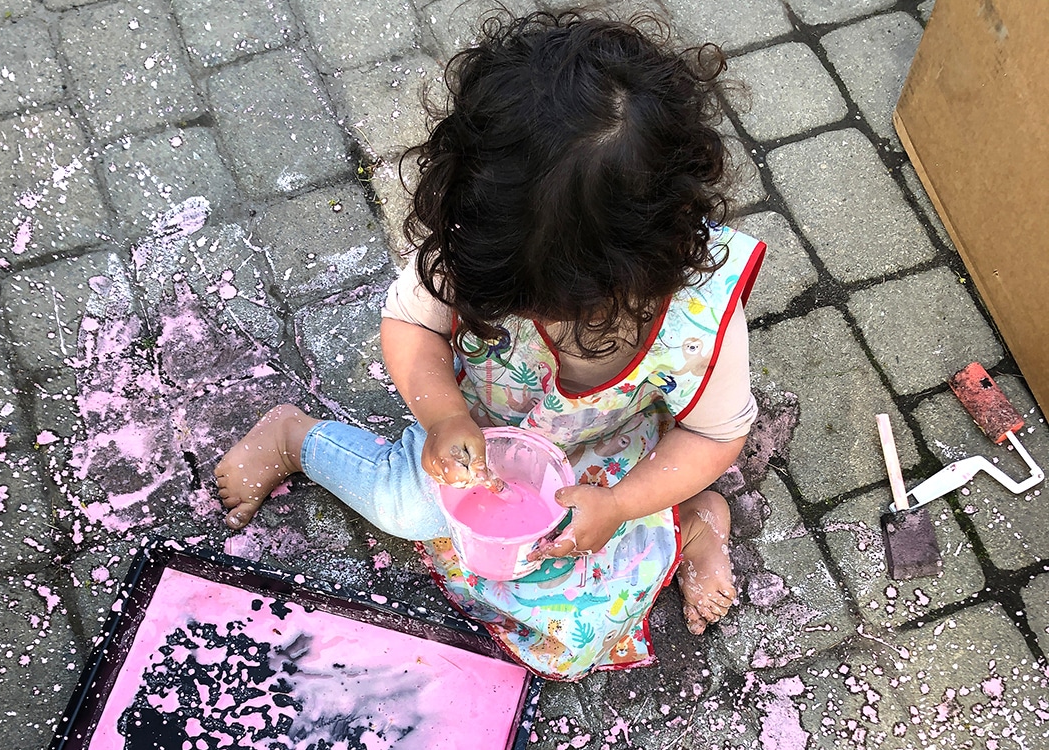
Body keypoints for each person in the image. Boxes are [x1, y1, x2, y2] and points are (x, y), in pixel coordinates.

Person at [215, 8, 765, 681]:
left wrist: (621, 505)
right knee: (403, 505)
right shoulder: (476, 244)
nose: (541, 319)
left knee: (597, 584)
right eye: (520, 299)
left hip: (606, 456)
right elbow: (412, 328)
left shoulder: (700, 320)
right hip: (480, 432)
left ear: (649, 260)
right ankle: (297, 439)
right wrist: (444, 416)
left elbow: (713, 437)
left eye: (559, 304)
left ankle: (695, 517)